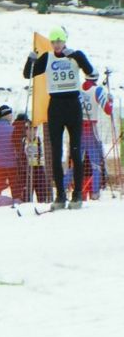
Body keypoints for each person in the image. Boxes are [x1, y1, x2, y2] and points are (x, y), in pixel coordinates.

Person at [23, 26, 95, 210]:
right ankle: (60, 197)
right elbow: (27, 74)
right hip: (55, 106)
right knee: (56, 153)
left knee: (75, 150)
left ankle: (77, 194)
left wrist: (77, 57)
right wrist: (30, 60)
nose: (57, 45)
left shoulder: (75, 54)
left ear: (65, 41)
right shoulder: (47, 57)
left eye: (60, 41)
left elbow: (91, 72)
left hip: (73, 105)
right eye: (54, 42)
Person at [77, 71, 113, 200]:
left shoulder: (78, 87)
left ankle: (66, 189)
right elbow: (108, 110)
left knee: (76, 161)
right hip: (91, 127)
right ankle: (95, 192)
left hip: (77, 128)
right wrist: (111, 102)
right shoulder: (97, 90)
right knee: (96, 163)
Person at [12, 113, 51, 203]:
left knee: (42, 195)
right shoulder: (23, 141)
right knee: (26, 197)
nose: (31, 131)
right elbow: (21, 157)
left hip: (39, 170)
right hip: (26, 172)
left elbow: (40, 156)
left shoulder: (39, 140)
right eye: (29, 129)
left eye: (34, 129)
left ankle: (42, 206)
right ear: (25, 131)